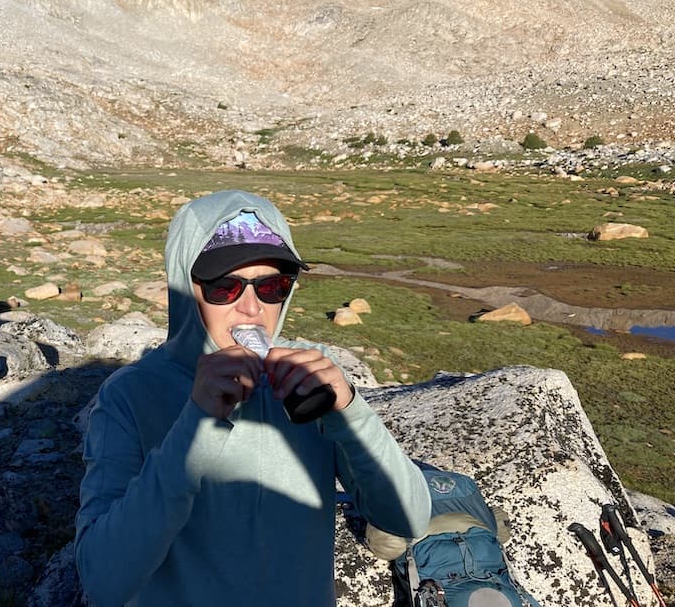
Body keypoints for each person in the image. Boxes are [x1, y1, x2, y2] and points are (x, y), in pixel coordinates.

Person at [75, 189, 431, 606]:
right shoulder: (130, 395)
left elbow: (407, 518)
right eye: (225, 288)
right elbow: (102, 580)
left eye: (272, 286)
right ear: (184, 288)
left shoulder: (308, 377)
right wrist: (197, 423)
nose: (251, 310)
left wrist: (349, 411)